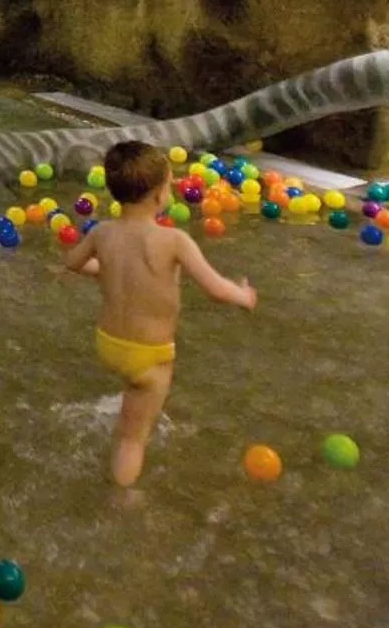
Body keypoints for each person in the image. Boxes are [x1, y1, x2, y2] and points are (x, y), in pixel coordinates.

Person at [59, 140, 257, 488]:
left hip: (108, 343)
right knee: (132, 439)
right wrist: (244, 296)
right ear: (158, 195)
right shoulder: (174, 241)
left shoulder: (102, 232)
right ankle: (122, 497)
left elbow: (73, 263)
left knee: (131, 399)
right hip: (150, 356)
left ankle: (129, 399)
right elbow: (214, 288)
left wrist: (106, 269)